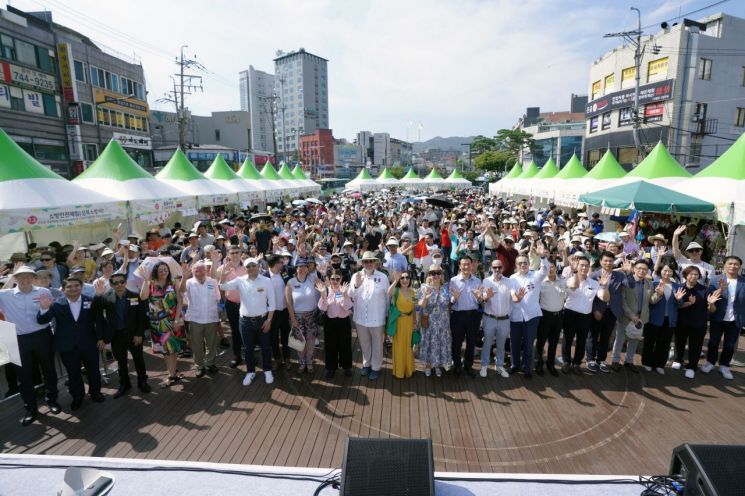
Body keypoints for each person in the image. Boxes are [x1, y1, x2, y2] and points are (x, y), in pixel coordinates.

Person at [0, 265, 61, 425]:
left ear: (34, 278)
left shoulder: (44, 292)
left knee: (48, 369)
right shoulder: (5, 295)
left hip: (42, 335)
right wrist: (8, 278)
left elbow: (48, 316)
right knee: (23, 376)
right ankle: (31, 408)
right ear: (15, 278)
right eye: (20, 276)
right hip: (18, 339)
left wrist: (44, 309)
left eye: (28, 276)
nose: (24, 279)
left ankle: (52, 400)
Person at [37, 277, 106, 410]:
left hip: (89, 343)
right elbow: (42, 320)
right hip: (67, 346)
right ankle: (77, 397)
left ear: (81, 287)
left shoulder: (90, 300)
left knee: (93, 370)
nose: (73, 288)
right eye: (69, 286)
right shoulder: (56, 303)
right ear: (63, 289)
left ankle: (95, 393)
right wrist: (44, 308)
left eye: (76, 285)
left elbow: (99, 319)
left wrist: (101, 338)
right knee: (73, 373)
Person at [219, 257, 276, 386]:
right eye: (248, 266)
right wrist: (223, 275)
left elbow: (272, 303)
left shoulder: (267, 281)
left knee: (266, 347)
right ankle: (250, 371)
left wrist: (269, 320)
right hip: (245, 321)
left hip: (262, 320)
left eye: (253, 265)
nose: (251, 268)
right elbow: (222, 286)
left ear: (258, 267)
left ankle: (267, 370)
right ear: (245, 269)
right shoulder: (239, 281)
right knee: (248, 348)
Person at [101, 272, 151, 398]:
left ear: (126, 282)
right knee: (121, 362)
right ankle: (124, 384)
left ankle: (142, 382)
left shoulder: (135, 296)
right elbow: (97, 313)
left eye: (122, 282)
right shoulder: (106, 297)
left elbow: (141, 317)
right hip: (116, 336)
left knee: (138, 359)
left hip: (134, 335)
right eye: (116, 283)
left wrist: (139, 334)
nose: (119, 285)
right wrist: (97, 295)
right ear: (111, 285)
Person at [585, 252, 634, 373]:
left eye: (610, 261)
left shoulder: (620, 275)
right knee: (593, 335)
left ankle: (601, 360)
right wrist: (595, 310)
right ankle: (590, 359)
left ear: (613, 262)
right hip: (597, 310)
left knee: (606, 336)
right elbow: (589, 296)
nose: (608, 263)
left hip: (612, 311)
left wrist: (629, 272)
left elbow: (631, 285)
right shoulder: (593, 275)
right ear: (601, 261)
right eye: (605, 261)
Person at [140, 261, 185, 388]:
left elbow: (180, 301)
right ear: (156, 272)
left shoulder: (173, 282)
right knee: (166, 350)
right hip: (159, 324)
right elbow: (143, 297)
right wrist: (146, 280)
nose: (163, 272)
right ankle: (172, 374)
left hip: (172, 320)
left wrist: (176, 319)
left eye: (165, 270)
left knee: (173, 348)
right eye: (161, 270)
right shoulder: (151, 284)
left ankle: (173, 372)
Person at [562, 255, 609, 375]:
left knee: (581, 341)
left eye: (586, 265)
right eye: (581, 265)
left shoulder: (594, 283)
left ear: (589, 268)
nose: (584, 267)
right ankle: (566, 362)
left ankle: (577, 363)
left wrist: (604, 286)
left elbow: (604, 297)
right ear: (577, 266)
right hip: (569, 313)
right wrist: (575, 273)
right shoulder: (570, 279)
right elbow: (574, 286)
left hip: (585, 316)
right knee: (567, 339)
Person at [672, 266, 721, 379]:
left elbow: (712, 310)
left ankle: (692, 366)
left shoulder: (705, 289)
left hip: (699, 323)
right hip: (681, 322)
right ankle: (678, 359)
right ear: (685, 275)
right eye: (691, 274)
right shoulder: (679, 288)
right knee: (679, 342)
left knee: (696, 346)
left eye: (696, 274)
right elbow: (675, 307)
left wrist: (711, 303)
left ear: (699, 276)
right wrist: (680, 301)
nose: (693, 276)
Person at [701, 256, 745, 380]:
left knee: (730, 345)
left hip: (735, 319)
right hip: (718, 317)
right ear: (724, 265)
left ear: (739, 266)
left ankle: (724, 366)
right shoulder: (715, 279)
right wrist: (720, 290)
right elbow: (709, 298)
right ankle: (710, 362)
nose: (733, 266)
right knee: (713, 342)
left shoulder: (743, 281)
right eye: (730, 263)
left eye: (736, 264)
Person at [509, 244, 548, 379]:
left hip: (532, 316)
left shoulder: (535, 276)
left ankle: (527, 367)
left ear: (528, 263)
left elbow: (545, 270)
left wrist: (542, 257)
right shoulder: (512, 278)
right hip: (516, 316)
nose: (523, 265)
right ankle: (515, 365)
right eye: (520, 263)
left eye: (525, 263)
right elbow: (512, 294)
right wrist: (516, 298)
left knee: (528, 343)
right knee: (514, 342)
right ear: (516, 265)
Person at [349, 251, 389, 380]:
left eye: (371, 261)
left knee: (377, 343)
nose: (369, 264)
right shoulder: (356, 276)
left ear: (375, 262)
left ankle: (376, 367)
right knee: (364, 343)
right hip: (360, 317)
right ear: (362, 263)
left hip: (377, 318)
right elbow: (350, 295)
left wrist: (386, 315)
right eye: (366, 261)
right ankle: (366, 364)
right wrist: (356, 285)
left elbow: (388, 298)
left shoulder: (383, 277)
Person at [180, 261, 221, 378]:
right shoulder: (188, 282)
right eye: (197, 271)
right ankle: (199, 366)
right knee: (197, 344)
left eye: (202, 270)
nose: (200, 273)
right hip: (195, 318)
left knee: (211, 343)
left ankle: (210, 363)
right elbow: (181, 291)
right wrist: (184, 276)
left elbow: (218, 297)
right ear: (193, 272)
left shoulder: (212, 282)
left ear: (206, 270)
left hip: (211, 317)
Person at [612, 259, 654, 372]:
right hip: (626, 316)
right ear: (634, 269)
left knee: (634, 339)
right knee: (620, 339)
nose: (641, 271)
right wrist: (631, 315)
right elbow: (623, 300)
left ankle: (629, 361)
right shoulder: (627, 281)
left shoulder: (649, 283)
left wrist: (658, 295)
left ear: (647, 271)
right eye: (639, 268)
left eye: (644, 269)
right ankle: (615, 360)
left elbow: (652, 301)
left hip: (641, 317)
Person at [449, 255, 483, 377]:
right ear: (459, 266)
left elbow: (480, 302)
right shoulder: (453, 281)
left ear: (472, 265)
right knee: (456, 342)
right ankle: (457, 365)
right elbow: (450, 301)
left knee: (471, 342)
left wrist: (480, 298)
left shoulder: (478, 281)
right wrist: (454, 297)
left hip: (473, 316)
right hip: (458, 315)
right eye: (463, 264)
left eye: (468, 264)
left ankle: (468, 365)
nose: (466, 266)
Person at [479, 258, 514, 378]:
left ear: (503, 268)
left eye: (499, 267)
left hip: (504, 319)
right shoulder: (486, 281)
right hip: (490, 318)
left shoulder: (509, 282)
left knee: (501, 344)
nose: (497, 269)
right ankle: (484, 365)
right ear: (491, 268)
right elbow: (483, 299)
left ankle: (499, 365)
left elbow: (513, 298)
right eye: (495, 267)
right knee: (487, 343)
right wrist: (487, 297)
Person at [286, 258, 321, 373]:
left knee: (310, 341)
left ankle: (309, 362)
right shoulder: (290, 282)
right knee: (299, 341)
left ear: (308, 269)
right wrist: (293, 318)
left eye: (304, 267)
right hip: (297, 316)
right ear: (296, 269)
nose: (302, 269)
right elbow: (288, 302)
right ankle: (302, 362)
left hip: (311, 316)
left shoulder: (313, 279)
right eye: (299, 267)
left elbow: (324, 288)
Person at [213, 244, 246, 368]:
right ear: (228, 255)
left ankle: (249, 355)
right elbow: (216, 281)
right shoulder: (223, 268)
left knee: (248, 330)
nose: (235, 255)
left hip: (246, 303)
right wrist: (222, 273)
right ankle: (237, 355)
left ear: (240, 253)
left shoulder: (247, 266)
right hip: (231, 303)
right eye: (232, 253)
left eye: (237, 252)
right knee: (235, 330)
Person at [643, 263, 679, 374]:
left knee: (664, 342)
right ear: (660, 271)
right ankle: (647, 362)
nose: (667, 273)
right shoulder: (653, 284)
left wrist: (678, 299)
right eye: (665, 271)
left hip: (669, 319)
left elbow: (679, 303)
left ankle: (659, 364)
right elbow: (649, 301)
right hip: (654, 318)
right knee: (650, 341)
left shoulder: (676, 286)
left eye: (670, 271)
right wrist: (658, 294)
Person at [316, 270, 353, 378]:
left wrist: (344, 295)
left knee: (345, 345)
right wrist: (323, 296)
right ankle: (331, 367)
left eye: (338, 278)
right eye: (333, 279)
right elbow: (322, 308)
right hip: (330, 322)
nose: (335, 281)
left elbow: (348, 307)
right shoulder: (326, 291)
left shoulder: (345, 290)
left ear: (341, 279)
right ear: (329, 279)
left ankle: (346, 367)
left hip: (343, 321)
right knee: (330, 346)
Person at [418, 264, 452, 377]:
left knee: (440, 344)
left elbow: (449, 304)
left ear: (441, 275)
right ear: (429, 275)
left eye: (438, 273)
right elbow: (420, 306)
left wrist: (455, 298)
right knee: (429, 344)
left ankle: (437, 365)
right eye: (433, 273)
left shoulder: (445, 288)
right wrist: (425, 299)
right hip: (429, 323)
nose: (436, 275)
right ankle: (428, 366)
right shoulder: (424, 288)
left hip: (443, 323)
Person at [536, 259, 566, 376]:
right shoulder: (540, 283)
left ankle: (550, 364)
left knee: (554, 342)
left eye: (552, 266)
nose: (550, 268)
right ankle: (539, 363)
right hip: (544, 315)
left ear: (555, 267)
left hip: (558, 316)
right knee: (541, 341)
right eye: (547, 266)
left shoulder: (563, 281)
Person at [388, 270, 417, 379]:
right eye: (402, 278)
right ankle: (399, 371)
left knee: (409, 346)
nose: (405, 280)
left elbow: (415, 308)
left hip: (409, 322)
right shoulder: (395, 291)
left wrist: (415, 322)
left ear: (410, 279)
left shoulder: (413, 292)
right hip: (399, 322)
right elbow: (389, 291)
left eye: (407, 277)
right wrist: (395, 280)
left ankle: (409, 369)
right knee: (399, 346)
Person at [267, 254, 292, 368]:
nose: (283, 264)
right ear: (276, 264)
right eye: (281, 262)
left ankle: (287, 358)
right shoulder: (265, 276)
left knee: (286, 337)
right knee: (273, 338)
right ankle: (277, 359)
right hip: (272, 313)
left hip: (284, 310)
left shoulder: (284, 273)